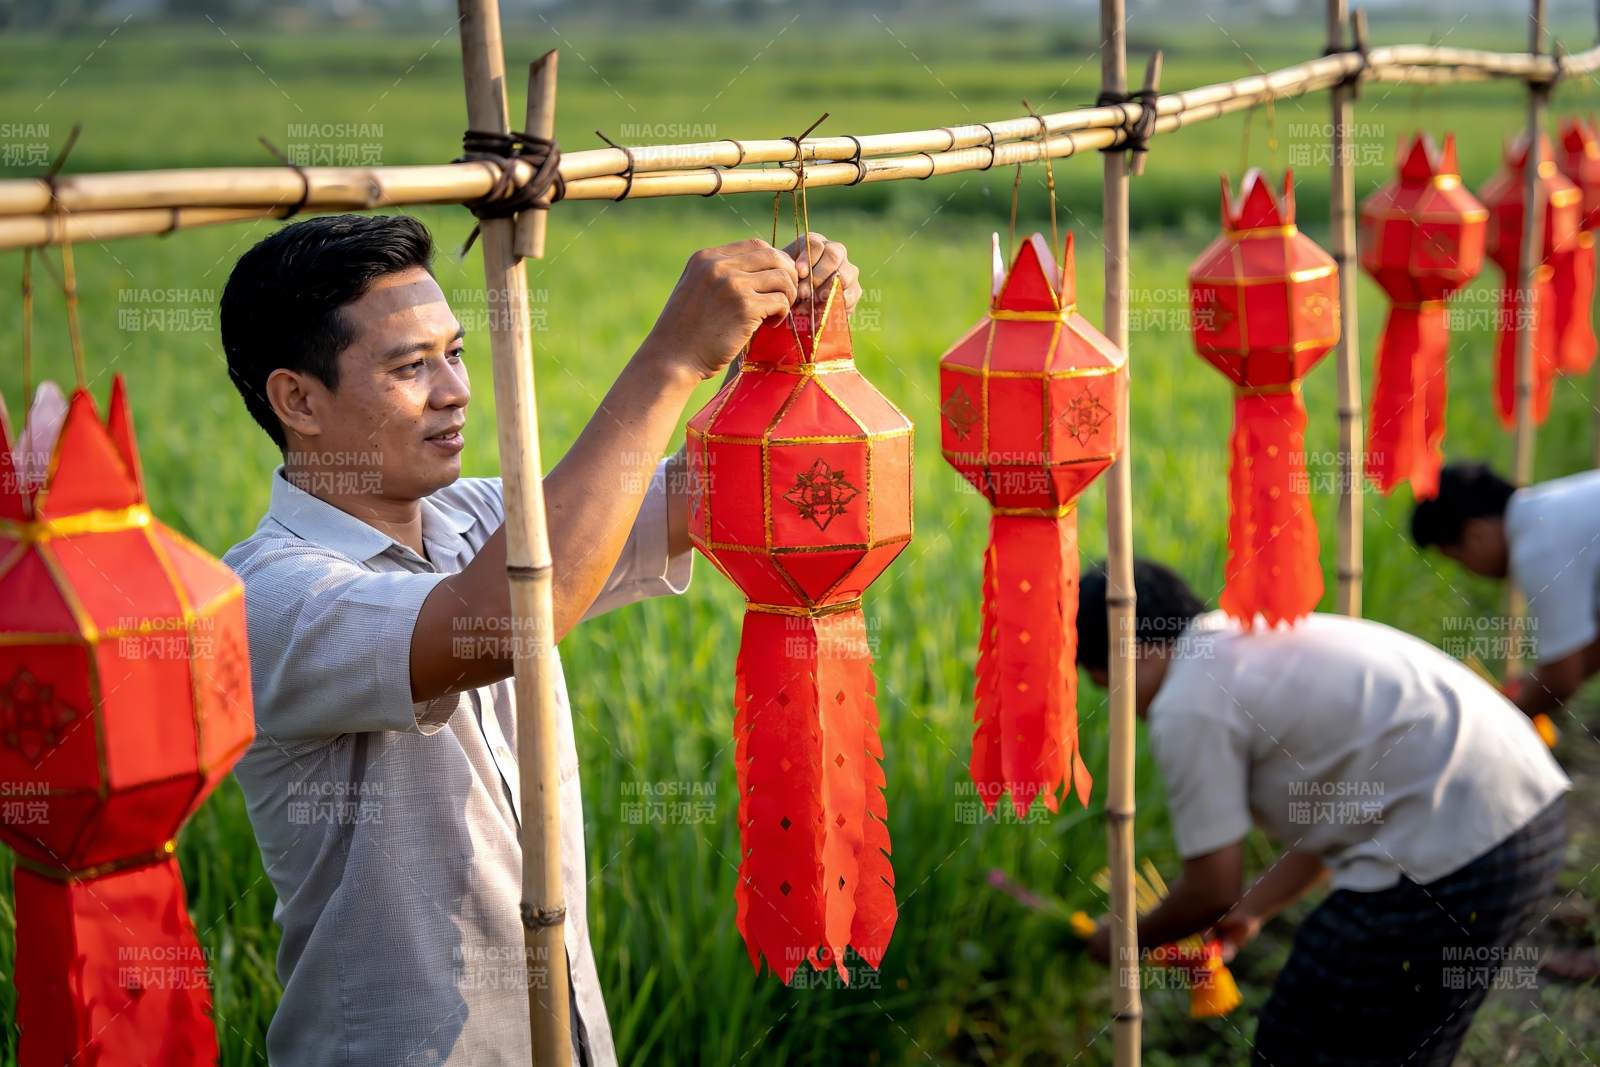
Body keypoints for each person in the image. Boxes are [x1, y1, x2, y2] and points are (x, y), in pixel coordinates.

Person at [218, 213, 860, 1066]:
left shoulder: (478, 518)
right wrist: (672, 359)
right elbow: (502, 620)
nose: (454, 390)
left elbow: (742, 487)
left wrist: (777, 359)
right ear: (297, 398)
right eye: (411, 367)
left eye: (454, 352)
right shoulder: (270, 596)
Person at [1077, 560, 1570, 1067]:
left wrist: (1120, 939)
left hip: (1463, 849)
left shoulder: (1188, 701)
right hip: (1527, 819)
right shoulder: (1254, 637)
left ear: (1122, 658)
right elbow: (1327, 826)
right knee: (1401, 1046)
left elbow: (1211, 889)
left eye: (1104, 685)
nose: (1123, 707)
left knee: (1303, 1046)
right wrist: (1250, 911)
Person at [1411, 461, 1600, 719]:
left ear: (1475, 534)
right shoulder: (1550, 510)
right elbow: (1584, 655)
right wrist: (1533, 684)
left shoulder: (1536, 548)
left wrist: (1500, 719)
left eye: (1458, 559)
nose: (1468, 571)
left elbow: (1561, 681)